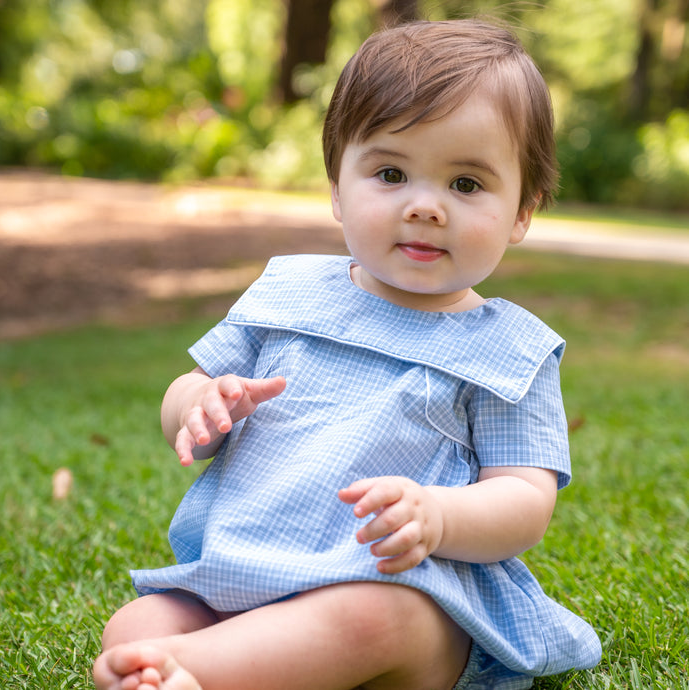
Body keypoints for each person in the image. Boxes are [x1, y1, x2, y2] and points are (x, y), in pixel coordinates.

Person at [93, 18, 602, 690]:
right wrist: (198, 404)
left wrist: (439, 517)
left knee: (369, 620)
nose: (425, 207)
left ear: (522, 211)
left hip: (405, 590)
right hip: (244, 576)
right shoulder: (287, 293)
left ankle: (190, 674)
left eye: (467, 185)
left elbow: (523, 499)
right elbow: (185, 398)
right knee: (136, 623)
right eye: (391, 173)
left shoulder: (507, 350)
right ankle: (187, 663)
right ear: (337, 186)